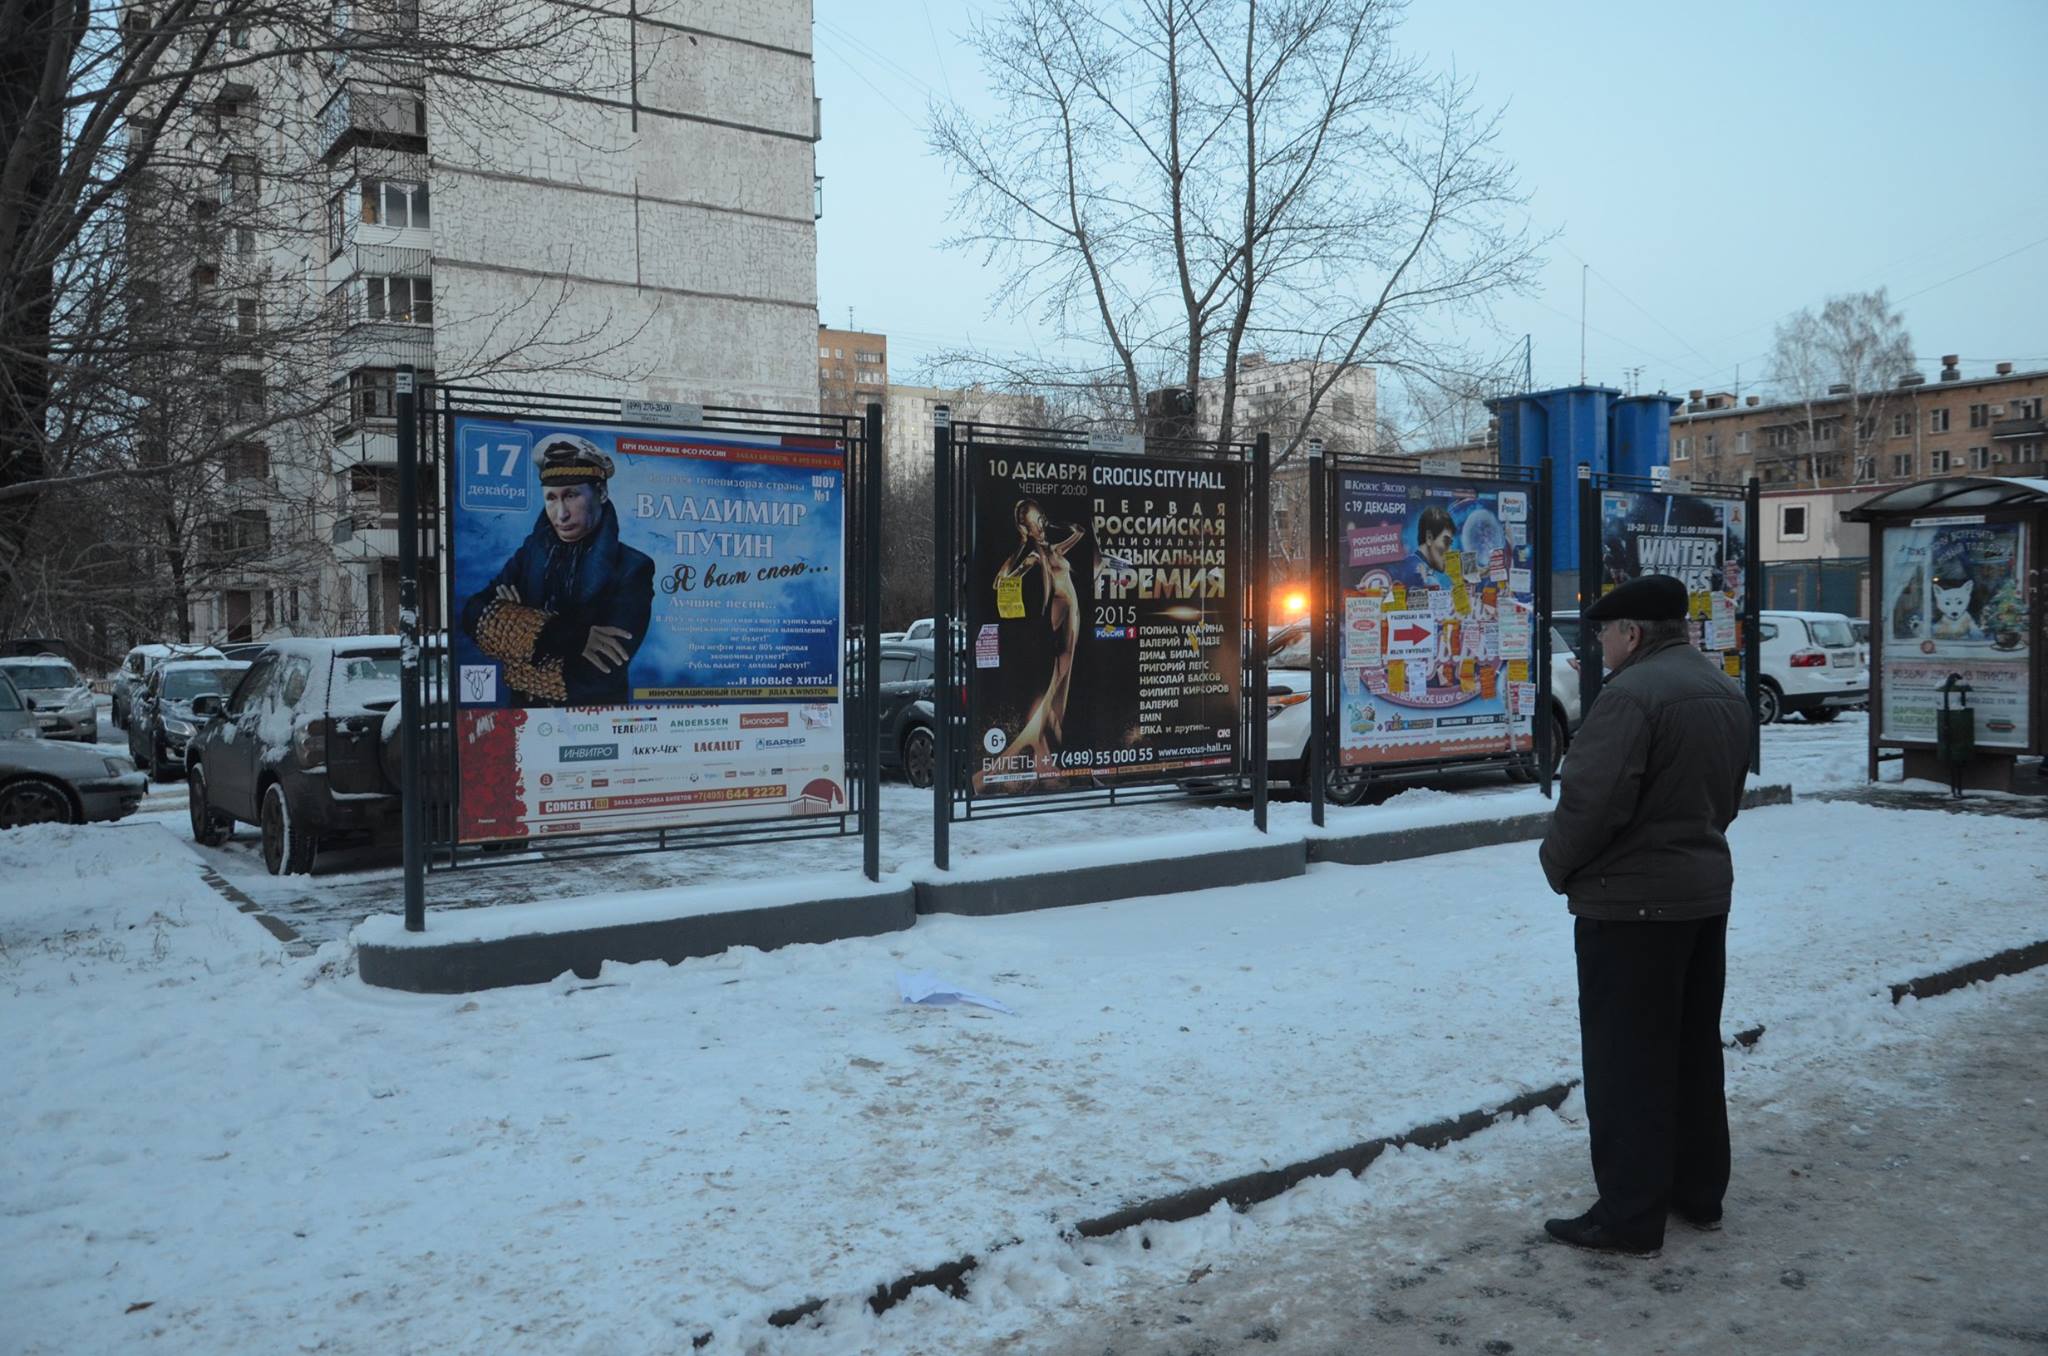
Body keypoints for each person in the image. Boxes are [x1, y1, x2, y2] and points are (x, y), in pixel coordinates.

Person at [1536, 573, 1752, 1258]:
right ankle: (1697, 1193)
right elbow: (1726, 799)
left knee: (1627, 1064)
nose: (1600, 646)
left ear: (1632, 633)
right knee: (1690, 1051)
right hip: (1701, 896)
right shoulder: (1722, 689)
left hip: (1629, 907)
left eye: (1604, 633)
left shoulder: (1631, 697)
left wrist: (1556, 865)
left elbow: (1590, 805)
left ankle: (1629, 1216)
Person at [460, 434, 654, 705]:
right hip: (523, 717)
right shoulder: (530, 553)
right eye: (551, 498)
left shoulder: (633, 567)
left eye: (571, 495)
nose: (560, 514)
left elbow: (599, 670)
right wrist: (570, 636)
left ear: (601, 492)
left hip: (595, 725)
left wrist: (514, 626)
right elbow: (472, 613)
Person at [981, 498, 1084, 783]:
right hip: (1058, 613)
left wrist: (1063, 526)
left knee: (1065, 674)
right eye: (1034, 523)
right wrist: (1024, 563)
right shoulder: (1030, 552)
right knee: (1057, 674)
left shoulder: (1053, 548)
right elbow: (999, 581)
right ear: (1024, 528)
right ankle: (1037, 742)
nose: (1040, 526)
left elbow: (1080, 533)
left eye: (1041, 520)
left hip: (1072, 612)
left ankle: (1050, 732)